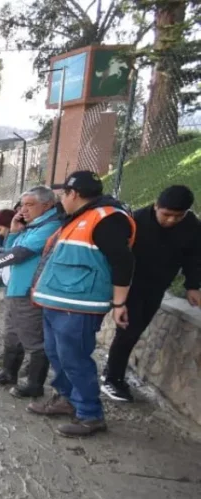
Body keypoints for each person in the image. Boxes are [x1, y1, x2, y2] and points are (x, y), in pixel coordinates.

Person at [28, 171, 136, 437]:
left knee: (74, 359)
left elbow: (123, 262)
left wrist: (119, 304)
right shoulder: (78, 217)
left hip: (79, 306)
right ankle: (67, 399)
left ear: (73, 194)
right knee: (56, 354)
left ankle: (90, 414)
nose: (61, 200)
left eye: (63, 194)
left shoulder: (107, 219)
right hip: (58, 302)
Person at [101, 185, 201, 402]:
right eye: (167, 214)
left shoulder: (192, 226)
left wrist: (192, 286)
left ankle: (112, 368)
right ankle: (112, 379)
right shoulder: (135, 221)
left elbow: (193, 257)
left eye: (178, 216)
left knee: (134, 331)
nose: (172, 220)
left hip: (156, 287)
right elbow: (119, 256)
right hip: (130, 286)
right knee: (128, 331)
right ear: (156, 206)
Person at [0, 187, 63, 399]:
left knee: (33, 339)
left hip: (28, 291)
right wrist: (15, 232)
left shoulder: (51, 226)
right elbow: (11, 249)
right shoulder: (32, 226)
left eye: (29, 205)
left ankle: (34, 384)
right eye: (22, 205)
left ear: (47, 205)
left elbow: (19, 254)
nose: (23, 210)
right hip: (15, 288)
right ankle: (9, 372)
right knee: (12, 333)